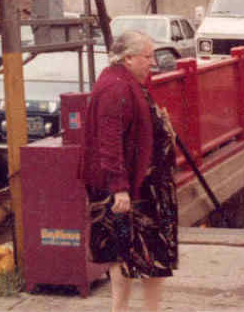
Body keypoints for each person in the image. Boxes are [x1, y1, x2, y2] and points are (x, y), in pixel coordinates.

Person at [81, 30, 179, 312]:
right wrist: (119, 188)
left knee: (126, 258)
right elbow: (108, 142)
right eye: (147, 57)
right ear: (128, 58)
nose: (153, 63)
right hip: (130, 191)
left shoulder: (125, 82)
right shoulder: (116, 88)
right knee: (141, 256)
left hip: (139, 186)